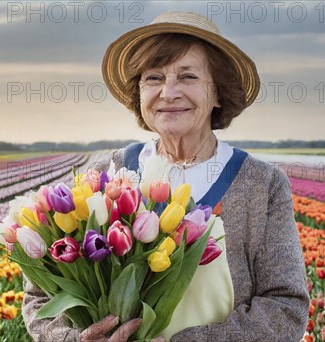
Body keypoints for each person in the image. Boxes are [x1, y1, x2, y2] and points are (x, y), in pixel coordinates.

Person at [22, 11, 310, 341]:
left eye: (188, 77)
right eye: (154, 78)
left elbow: (286, 307)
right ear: (139, 94)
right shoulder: (106, 176)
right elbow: (39, 298)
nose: (169, 93)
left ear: (217, 93)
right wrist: (76, 338)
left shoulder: (260, 184)